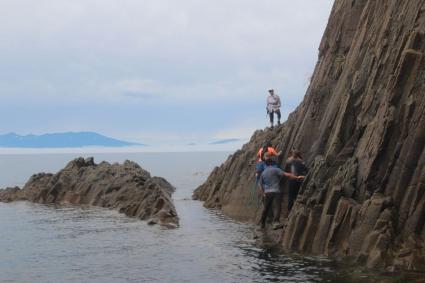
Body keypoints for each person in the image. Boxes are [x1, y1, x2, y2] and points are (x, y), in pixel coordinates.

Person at [259, 152, 304, 229]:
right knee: (277, 206)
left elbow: (260, 184)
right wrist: (297, 178)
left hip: (267, 192)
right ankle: (276, 222)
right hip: (276, 191)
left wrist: (263, 193)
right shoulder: (276, 169)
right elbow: (287, 175)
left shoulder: (263, 173)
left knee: (266, 208)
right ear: (272, 163)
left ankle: (262, 223)